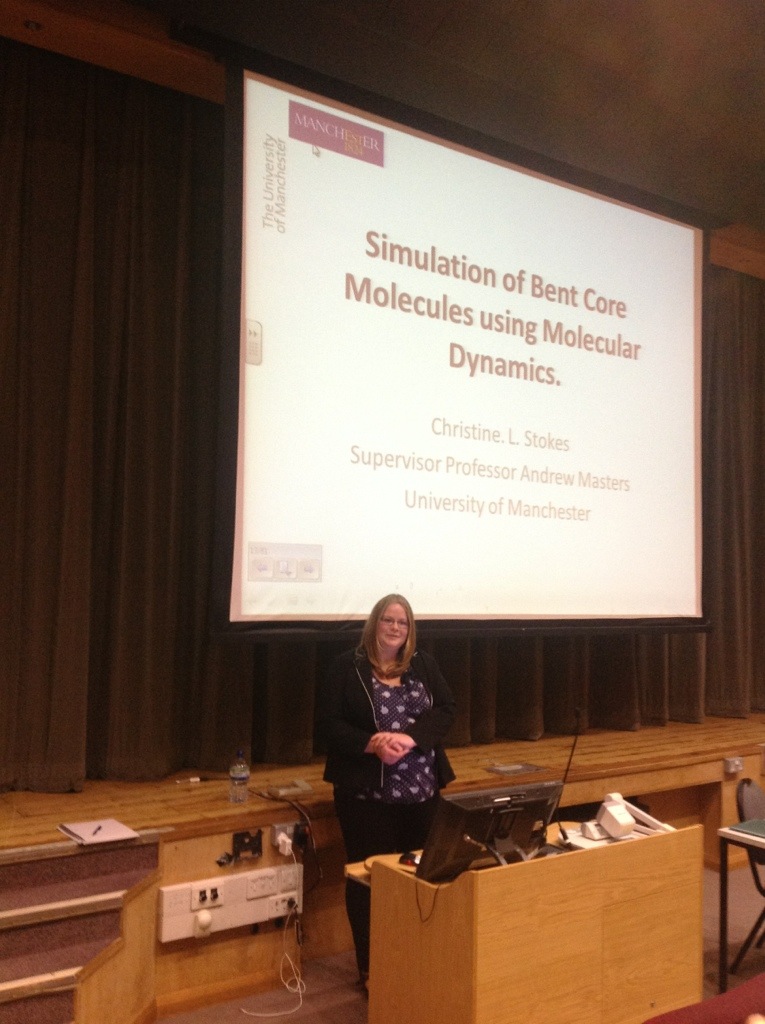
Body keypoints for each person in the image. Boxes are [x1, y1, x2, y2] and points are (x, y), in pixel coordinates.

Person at [318, 593, 456, 984]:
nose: (395, 628)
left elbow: (446, 709)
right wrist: (371, 744)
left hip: (422, 793)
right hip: (367, 797)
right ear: (374, 623)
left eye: (403, 622)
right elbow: (328, 724)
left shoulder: (423, 664)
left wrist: (411, 738)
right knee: (369, 880)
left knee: (421, 878)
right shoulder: (346, 667)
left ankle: (415, 962)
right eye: (388, 620)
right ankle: (371, 969)